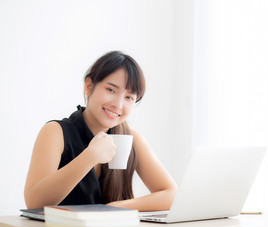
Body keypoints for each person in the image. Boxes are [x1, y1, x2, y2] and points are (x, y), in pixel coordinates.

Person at [24, 51, 177, 211]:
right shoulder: (56, 132)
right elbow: (34, 203)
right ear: (89, 86)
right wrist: (90, 156)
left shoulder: (130, 138)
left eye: (129, 97)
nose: (118, 104)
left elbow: (171, 194)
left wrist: (116, 207)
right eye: (111, 90)